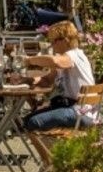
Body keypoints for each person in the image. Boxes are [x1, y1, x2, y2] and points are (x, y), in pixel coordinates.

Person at [23, 20, 98, 158]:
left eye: (54, 41)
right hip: (74, 108)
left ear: (65, 40)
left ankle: (53, 163)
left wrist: (29, 60)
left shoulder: (73, 55)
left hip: (80, 112)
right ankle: (53, 161)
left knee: (34, 122)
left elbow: (54, 61)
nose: (52, 45)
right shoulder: (65, 58)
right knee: (27, 120)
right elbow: (46, 81)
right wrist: (26, 80)